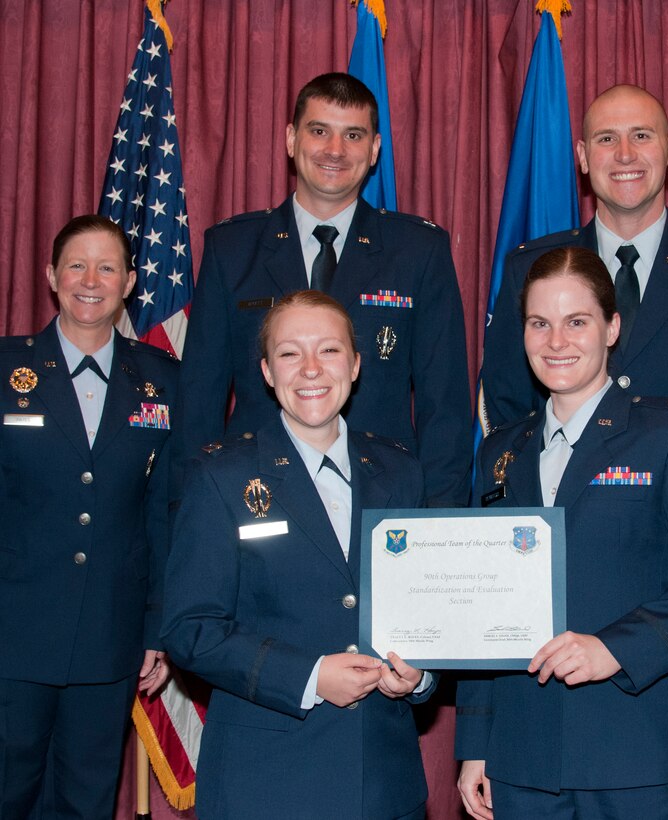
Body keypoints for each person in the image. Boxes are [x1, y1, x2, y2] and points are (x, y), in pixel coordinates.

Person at [457, 247, 668, 819]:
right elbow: (480, 604)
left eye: (577, 322)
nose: (556, 341)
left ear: (612, 328)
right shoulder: (501, 452)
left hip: (640, 758)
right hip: (523, 762)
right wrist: (474, 746)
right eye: (539, 324)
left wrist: (614, 647)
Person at [162, 290, 434, 819]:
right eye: (290, 353)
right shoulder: (222, 475)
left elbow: (424, 610)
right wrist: (308, 675)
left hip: (383, 781)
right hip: (267, 780)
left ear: (355, 365)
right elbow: (190, 627)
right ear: (266, 371)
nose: (311, 369)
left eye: (329, 351)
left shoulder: (401, 472)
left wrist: (420, 676)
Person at [175, 72, 471, 507]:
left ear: (374, 150)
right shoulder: (233, 249)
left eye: (353, 135)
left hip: (381, 501)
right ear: (292, 139)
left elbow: (444, 407)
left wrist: (435, 531)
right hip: (256, 496)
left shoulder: (418, 251)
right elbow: (198, 401)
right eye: (319, 131)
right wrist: (192, 511)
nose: (335, 150)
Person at [0, 215, 176, 818]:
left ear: (129, 281)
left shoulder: (162, 382)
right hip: (12, 633)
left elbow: (164, 514)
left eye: (107, 267)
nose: (90, 280)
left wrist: (156, 627)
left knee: (88, 799)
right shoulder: (5, 369)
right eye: (77, 264)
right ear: (51, 276)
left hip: (109, 635)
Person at [479, 84, 668, 431]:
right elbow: (508, 412)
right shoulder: (529, 269)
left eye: (642, 136)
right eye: (606, 139)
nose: (624, 154)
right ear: (583, 157)